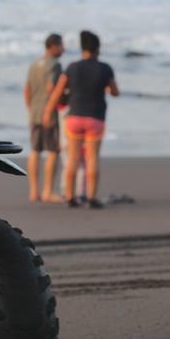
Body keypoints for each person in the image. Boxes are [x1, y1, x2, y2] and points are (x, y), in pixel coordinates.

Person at [44, 30, 119, 209]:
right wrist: (105, 88)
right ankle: (91, 197)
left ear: (82, 48)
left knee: (73, 158)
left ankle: (70, 197)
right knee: (92, 158)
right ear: (98, 48)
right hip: (95, 117)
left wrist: (47, 112)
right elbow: (115, 92)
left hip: (74, 117)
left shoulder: (72, 67)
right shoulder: (105, 68)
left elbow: (57, 92)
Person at [24, 33, 65, 203]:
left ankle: (34, 191)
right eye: (61, 45)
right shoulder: (55, 65)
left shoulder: (34, 64)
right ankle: (48, 190)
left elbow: (27, 89)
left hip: (35, 111)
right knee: (53, 151)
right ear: (53, 46)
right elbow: (51, 88)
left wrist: (31, 108)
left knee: (35, 150)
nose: (63, 49)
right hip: (49, 112)